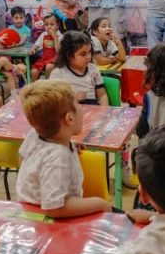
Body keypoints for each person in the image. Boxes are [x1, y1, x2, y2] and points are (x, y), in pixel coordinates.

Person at [16, 81, 111, 217]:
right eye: (78, 104)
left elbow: (22, 160)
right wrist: (100, 203)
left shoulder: (35, 133)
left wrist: (68, 142)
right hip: (53, 222)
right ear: (70, 118)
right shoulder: (58, 156)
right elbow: (54, 208)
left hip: (30, 214)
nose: (81, 108)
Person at [49, 31, 107, 106]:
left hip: (92, 111)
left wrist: (104, 112)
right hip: (70, 111)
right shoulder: (58, 73)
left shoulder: (93, 69)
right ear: (68, 55)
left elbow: (102, 95)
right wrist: (74, 99)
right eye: (83, 54)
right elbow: (53, 100)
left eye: (89, 52)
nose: (88, 57)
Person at [30, 12, 61, 80]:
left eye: (52, 24)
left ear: (57, 25)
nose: (49, 27)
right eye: (46, 25)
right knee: (33, 72)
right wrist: (33, 49)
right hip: (44, 58)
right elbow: (36, 44)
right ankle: (35, 88)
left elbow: (59, 51)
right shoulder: (43, 34)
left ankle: (47, 84)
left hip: (55, 59)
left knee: (49, 67)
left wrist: (55, 37)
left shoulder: (59, 35)